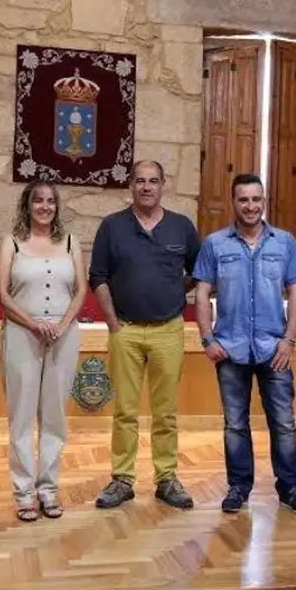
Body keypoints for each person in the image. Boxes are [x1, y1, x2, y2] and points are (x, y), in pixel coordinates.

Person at [193, 174, 296, 515]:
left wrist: (290, 340)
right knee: (235, 424)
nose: (250, 206)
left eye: (256, 199)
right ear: (234, 202)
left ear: (264, 201)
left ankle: (290, 488)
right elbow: (201, 292)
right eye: (243, 199)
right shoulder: (215, 244)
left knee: (284, 423)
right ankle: (238, 488)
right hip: (230, 350)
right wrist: (207, 338)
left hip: (274, 350)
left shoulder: (284, 242)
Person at [89, 160, 201, 510]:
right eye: (140, 181)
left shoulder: (181, 227)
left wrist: (174, 291)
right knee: (124, 411)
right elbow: (98, 276)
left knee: (166, 412)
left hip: (169, 330)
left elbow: (199, 271)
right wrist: (112, 323)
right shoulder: (112, 226)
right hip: (125, 331)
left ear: (163, 185)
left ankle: (166, 478)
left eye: (153, 181)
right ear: (131, 186)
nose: (147, 187)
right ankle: (122, 479)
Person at [0, 179, 87, 522]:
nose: (45, 207)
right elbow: (3, 294)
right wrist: (33, 324)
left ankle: (48, 489)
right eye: (38, 200)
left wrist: (62, 324)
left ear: (57, 206)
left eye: (50, 201)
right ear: (27, 205)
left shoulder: (70, 242)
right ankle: (23, 492)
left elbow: (81, 290)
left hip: (63, 335)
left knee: (55, 415)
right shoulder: (11, 243)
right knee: (21, 415)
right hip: (22, 334)